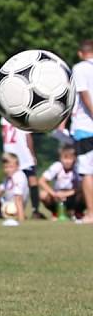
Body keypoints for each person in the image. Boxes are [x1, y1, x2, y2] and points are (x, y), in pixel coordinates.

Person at [1, 117, 44, 218]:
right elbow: (28, 136)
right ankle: (33, 211)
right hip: (22, 153)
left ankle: (27, 211)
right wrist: (32, 153)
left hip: (11, 151)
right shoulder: (21, 114)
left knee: (18, 182)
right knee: (31, 181)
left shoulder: (4, 116)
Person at [70, 39, 93, 224]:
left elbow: (84, 95)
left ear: (80, 53)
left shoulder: (79, 68)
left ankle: (91, 214)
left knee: (87, 172)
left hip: (85, 128)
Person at [38, 145, 80, 218]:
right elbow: (41, 181)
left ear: (75, 159)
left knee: (85, 194)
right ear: (60, 158)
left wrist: (67, 193)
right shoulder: (57, 166)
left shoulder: (78, 167)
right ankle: (56, 212)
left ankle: (78, 211)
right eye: (65, 158)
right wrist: (54, 194)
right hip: (57, 195)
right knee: (42, 194)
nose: (67, 161)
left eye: (70, 158)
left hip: (73, 193)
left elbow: (83, 186)